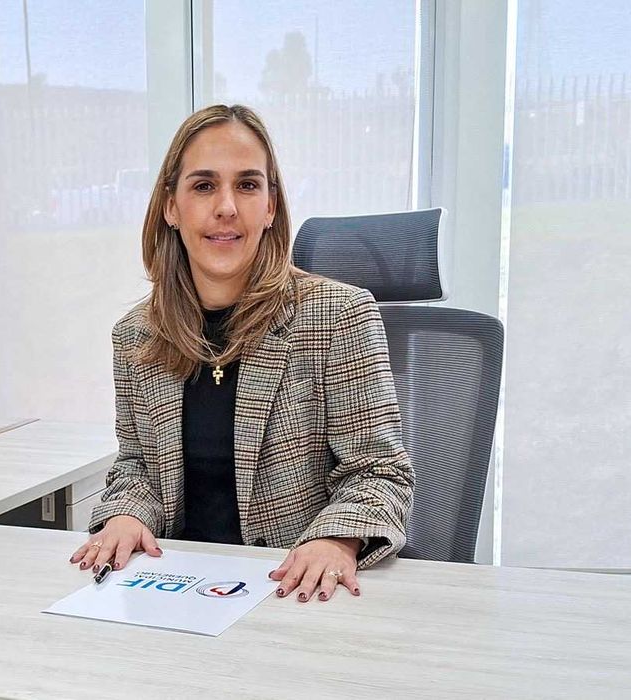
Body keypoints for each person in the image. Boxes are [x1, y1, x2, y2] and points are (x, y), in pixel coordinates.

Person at [69, 104, 414, 603]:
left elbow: (380, 472)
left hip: (295, 591)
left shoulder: (337, 316)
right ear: (171, 207)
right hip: (178, 590)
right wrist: (127, 512)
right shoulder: (137, 335)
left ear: (271, 207)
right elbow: (139, 466)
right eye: (204, 185)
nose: (227, 206)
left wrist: (335, 538)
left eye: (248, 185)